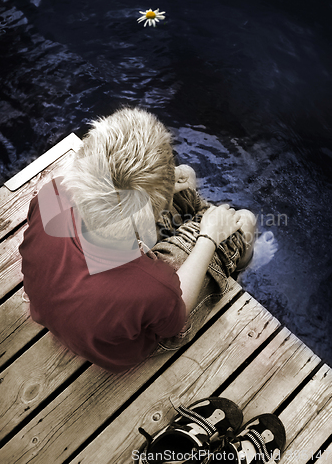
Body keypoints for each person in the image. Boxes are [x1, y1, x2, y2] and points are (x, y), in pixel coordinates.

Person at [19, 107, 263, 373]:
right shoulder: (153, 286)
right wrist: (209, 237)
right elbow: (177, 314)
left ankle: (192, 214)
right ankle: (238, 261)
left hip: (67, 306)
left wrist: (165, 187)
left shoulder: (51, 194)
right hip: (122, 346)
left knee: (187, 176)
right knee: (245, 221)